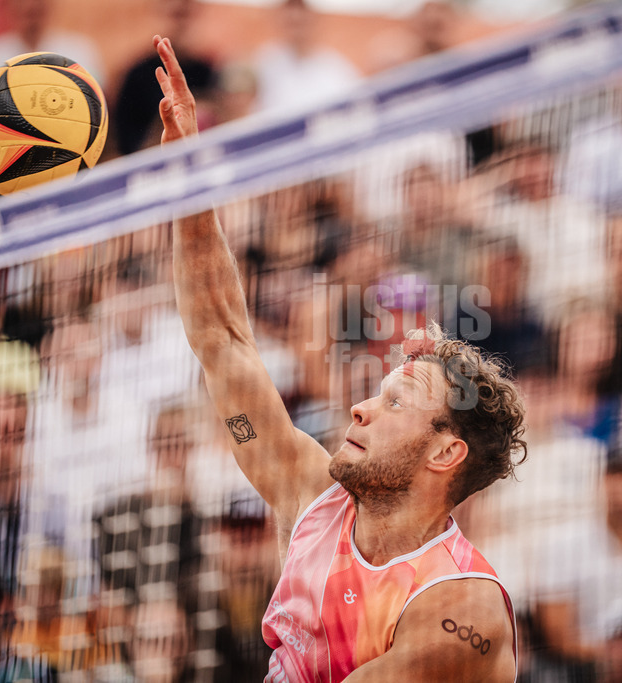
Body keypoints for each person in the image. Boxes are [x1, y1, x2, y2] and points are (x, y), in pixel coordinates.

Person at [153, 35, 525, 682]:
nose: (360, 407)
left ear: (446, 452)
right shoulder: (311, 497)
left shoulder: (461, 606)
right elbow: (222, 338)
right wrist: (189, 179)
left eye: (395, 402)